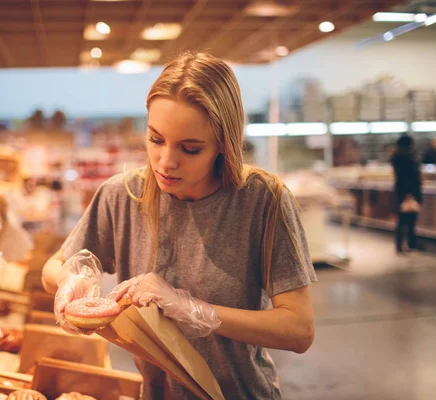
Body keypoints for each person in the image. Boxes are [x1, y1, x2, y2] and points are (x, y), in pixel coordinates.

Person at [42, 52, 316, 399]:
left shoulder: (263, 201)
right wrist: (69, 281)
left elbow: (299, 329)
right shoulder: (122, 196)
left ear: (222, 144)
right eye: (156, 139)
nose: (166, 162)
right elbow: (52, 267)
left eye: (189, 148)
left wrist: (195, 310)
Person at [391, 135, 422, 253]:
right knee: (408, 220)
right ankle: (408, 243)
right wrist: (410, 193)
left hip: (401, 191)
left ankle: (402, 244)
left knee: (402, 220)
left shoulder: (396, 157)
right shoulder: (407, 158)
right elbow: (411, 177)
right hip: (409, 192)